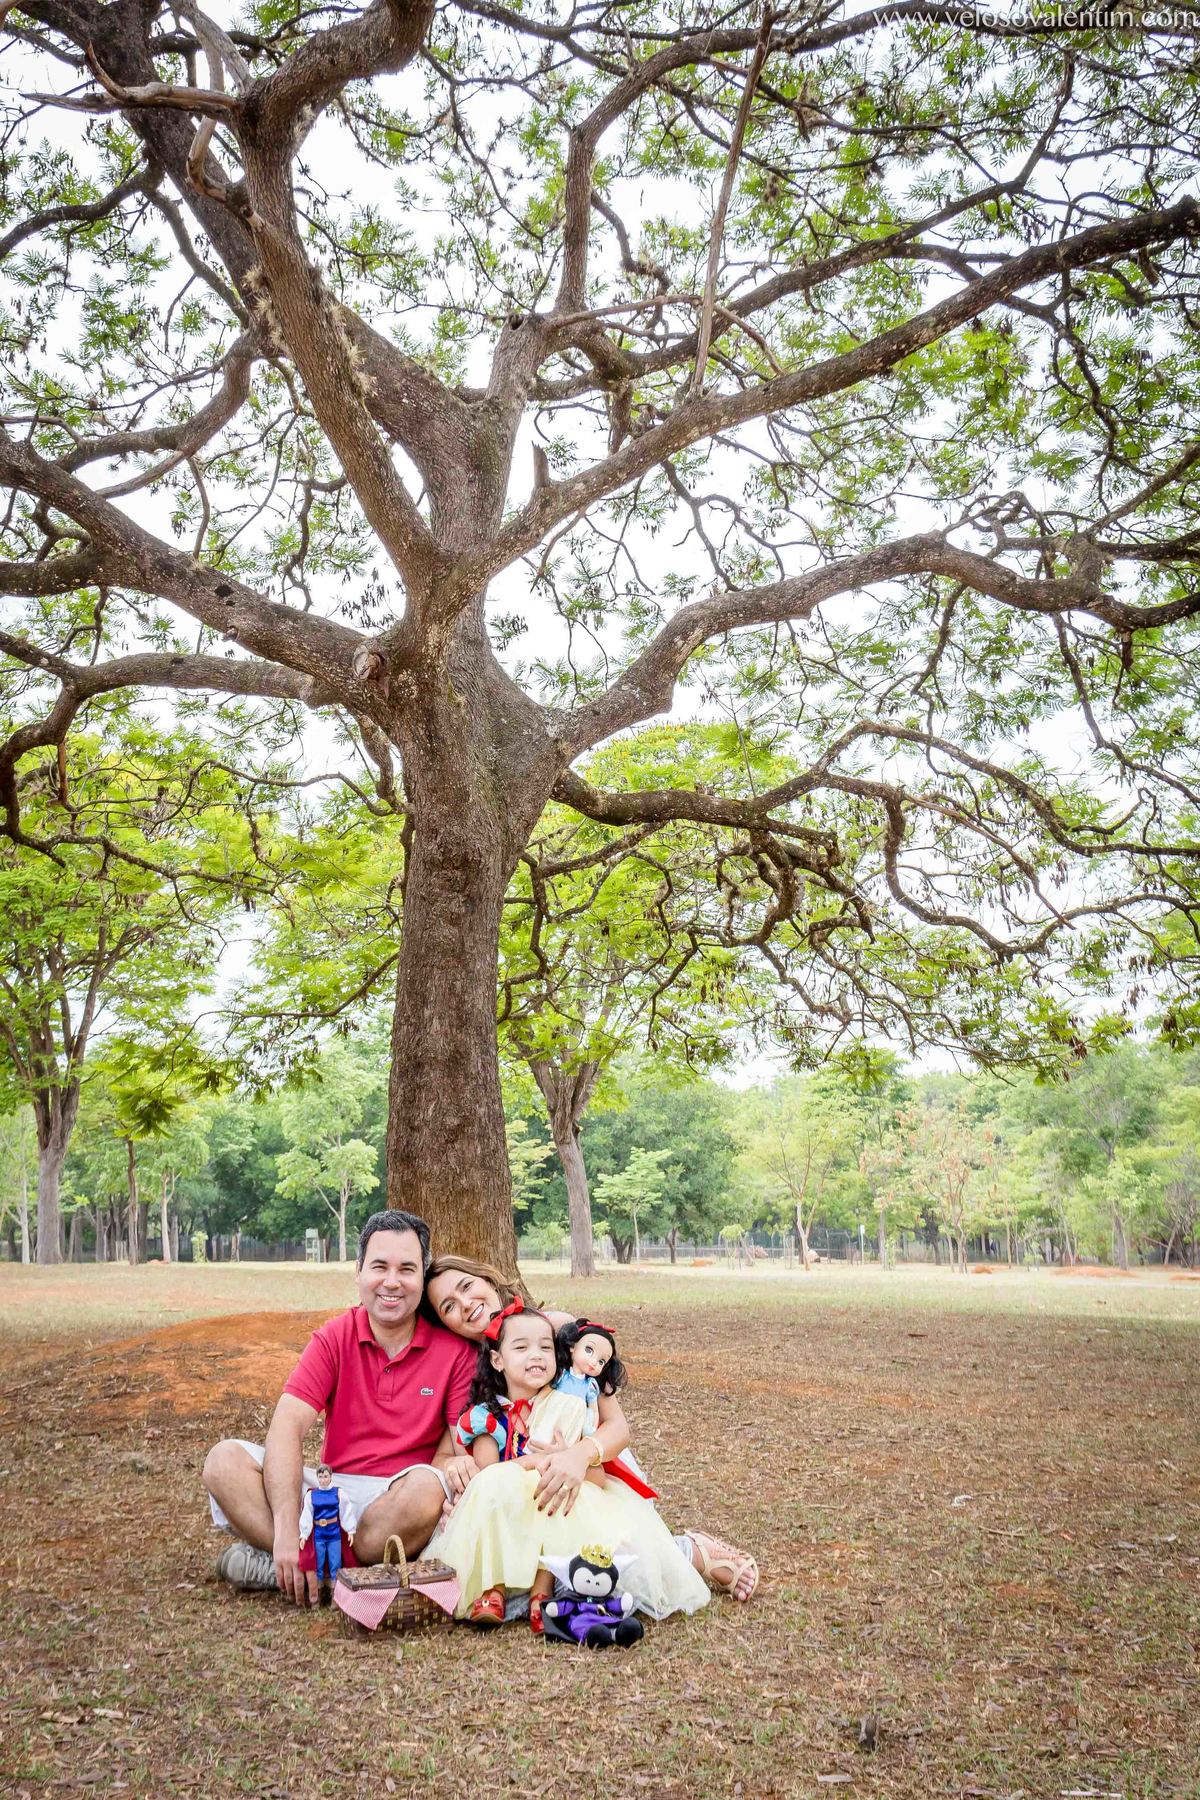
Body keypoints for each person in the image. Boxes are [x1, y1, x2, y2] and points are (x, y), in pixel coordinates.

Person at [424, 1252, 760, 1602]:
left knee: (609, 1569)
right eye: (448, 1306)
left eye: (467, 1286)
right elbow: (446, 1454)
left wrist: (577, 1456)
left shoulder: (558, 1330)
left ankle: (692, 1551)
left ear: (488, 1280)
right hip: (517, 1480)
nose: (465, 1304)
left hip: (588, 1465)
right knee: (529, 1576)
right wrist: (460, 1471)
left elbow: (616, 1426)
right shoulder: (463, 1363)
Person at [203, 1209, 476, 1606]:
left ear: (422, 1276)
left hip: (396, 1498)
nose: (392, 1282)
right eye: (379, 1266)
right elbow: (286, 1427)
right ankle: (308, 1563)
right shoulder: (334, 1337)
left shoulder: (455, 1351)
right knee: (223, 1461)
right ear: (359, 1271)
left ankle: (302, 1572)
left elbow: (453, 1453)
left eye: (407, 1269)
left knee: (427, 1488)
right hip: (333, 1493)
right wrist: (284, 1530)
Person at [427, 1299, 709, 1630]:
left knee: (566, 1503)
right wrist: (543, 1459)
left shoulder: (568, 1408)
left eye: (545, 1347)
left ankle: (542, 1593)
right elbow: (490, 1478)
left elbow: (598, 1478)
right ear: (497, 1359)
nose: (536, 1355)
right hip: (510, 1517)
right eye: (521, 1347)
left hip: (557, 1507)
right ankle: (493, 1587)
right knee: (499, 1490)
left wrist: (570, 1457)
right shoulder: (488, 1417)